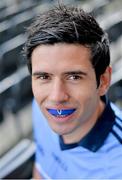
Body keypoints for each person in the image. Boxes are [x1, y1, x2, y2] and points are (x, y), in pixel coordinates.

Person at [24, 4, 122, 179]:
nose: (56, 97)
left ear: (104, 81)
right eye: (44, 77)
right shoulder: (41, 109)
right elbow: (42, 169)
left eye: (74, 77)